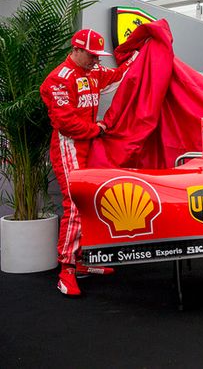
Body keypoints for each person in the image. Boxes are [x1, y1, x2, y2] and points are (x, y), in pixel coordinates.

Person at [40, 29, 136, 296]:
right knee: (75, 204)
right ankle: (66, 269)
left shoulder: (94, 72)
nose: (96, 61)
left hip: (88, 145)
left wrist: (136, 58)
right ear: (77, 50)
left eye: (98, 57)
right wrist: (99, 129)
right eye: (92, 56)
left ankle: (81, 261)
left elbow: (116, 75)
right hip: (69, 145)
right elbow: (66, 124)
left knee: (88, 202)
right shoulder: (57, 80)